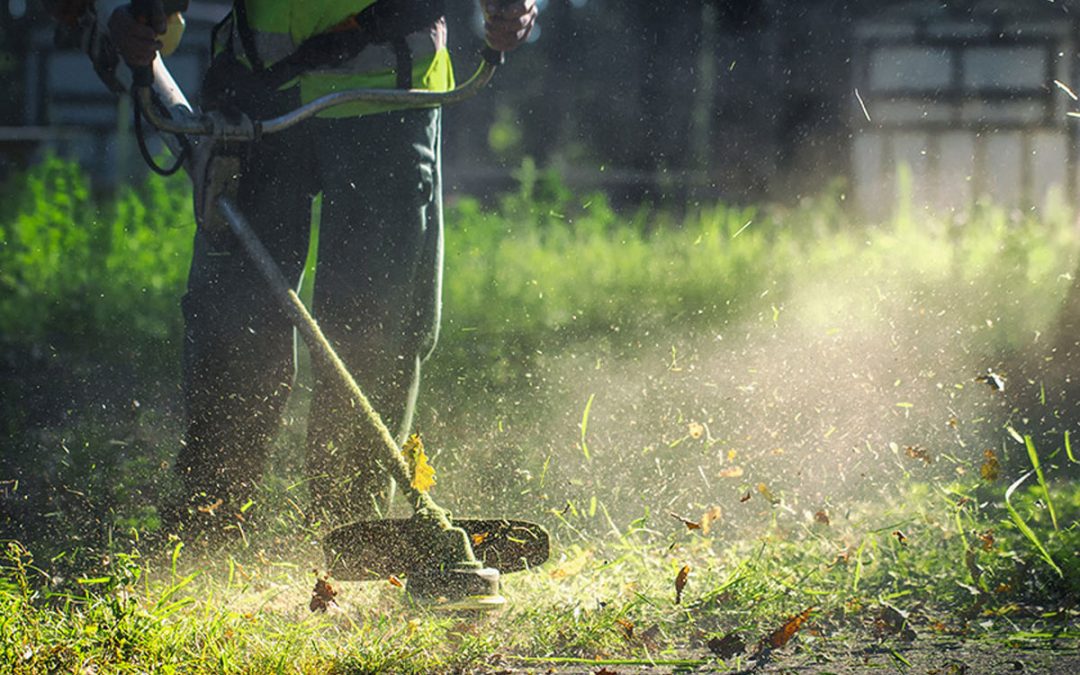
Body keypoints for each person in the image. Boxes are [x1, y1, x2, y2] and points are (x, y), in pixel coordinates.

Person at [107, 0, 537, 539]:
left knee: (374, 329)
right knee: (236, 323)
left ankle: (351, 531)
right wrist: (144, 14)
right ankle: (211, 520)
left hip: (390, 96)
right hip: (258, 99)